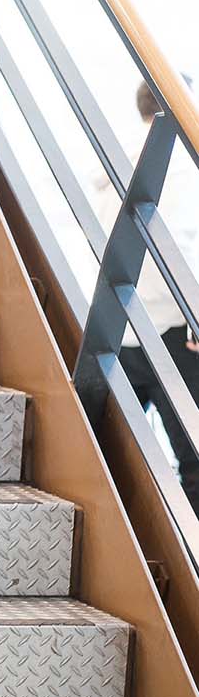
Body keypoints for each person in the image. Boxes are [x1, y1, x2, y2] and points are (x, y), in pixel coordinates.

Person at [109, 77, 199, 512]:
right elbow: (184, 246)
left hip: (116, 328)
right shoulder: (180, 163)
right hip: (174, 332)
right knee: (193, 459)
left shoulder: (113, 161)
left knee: (109, 455)